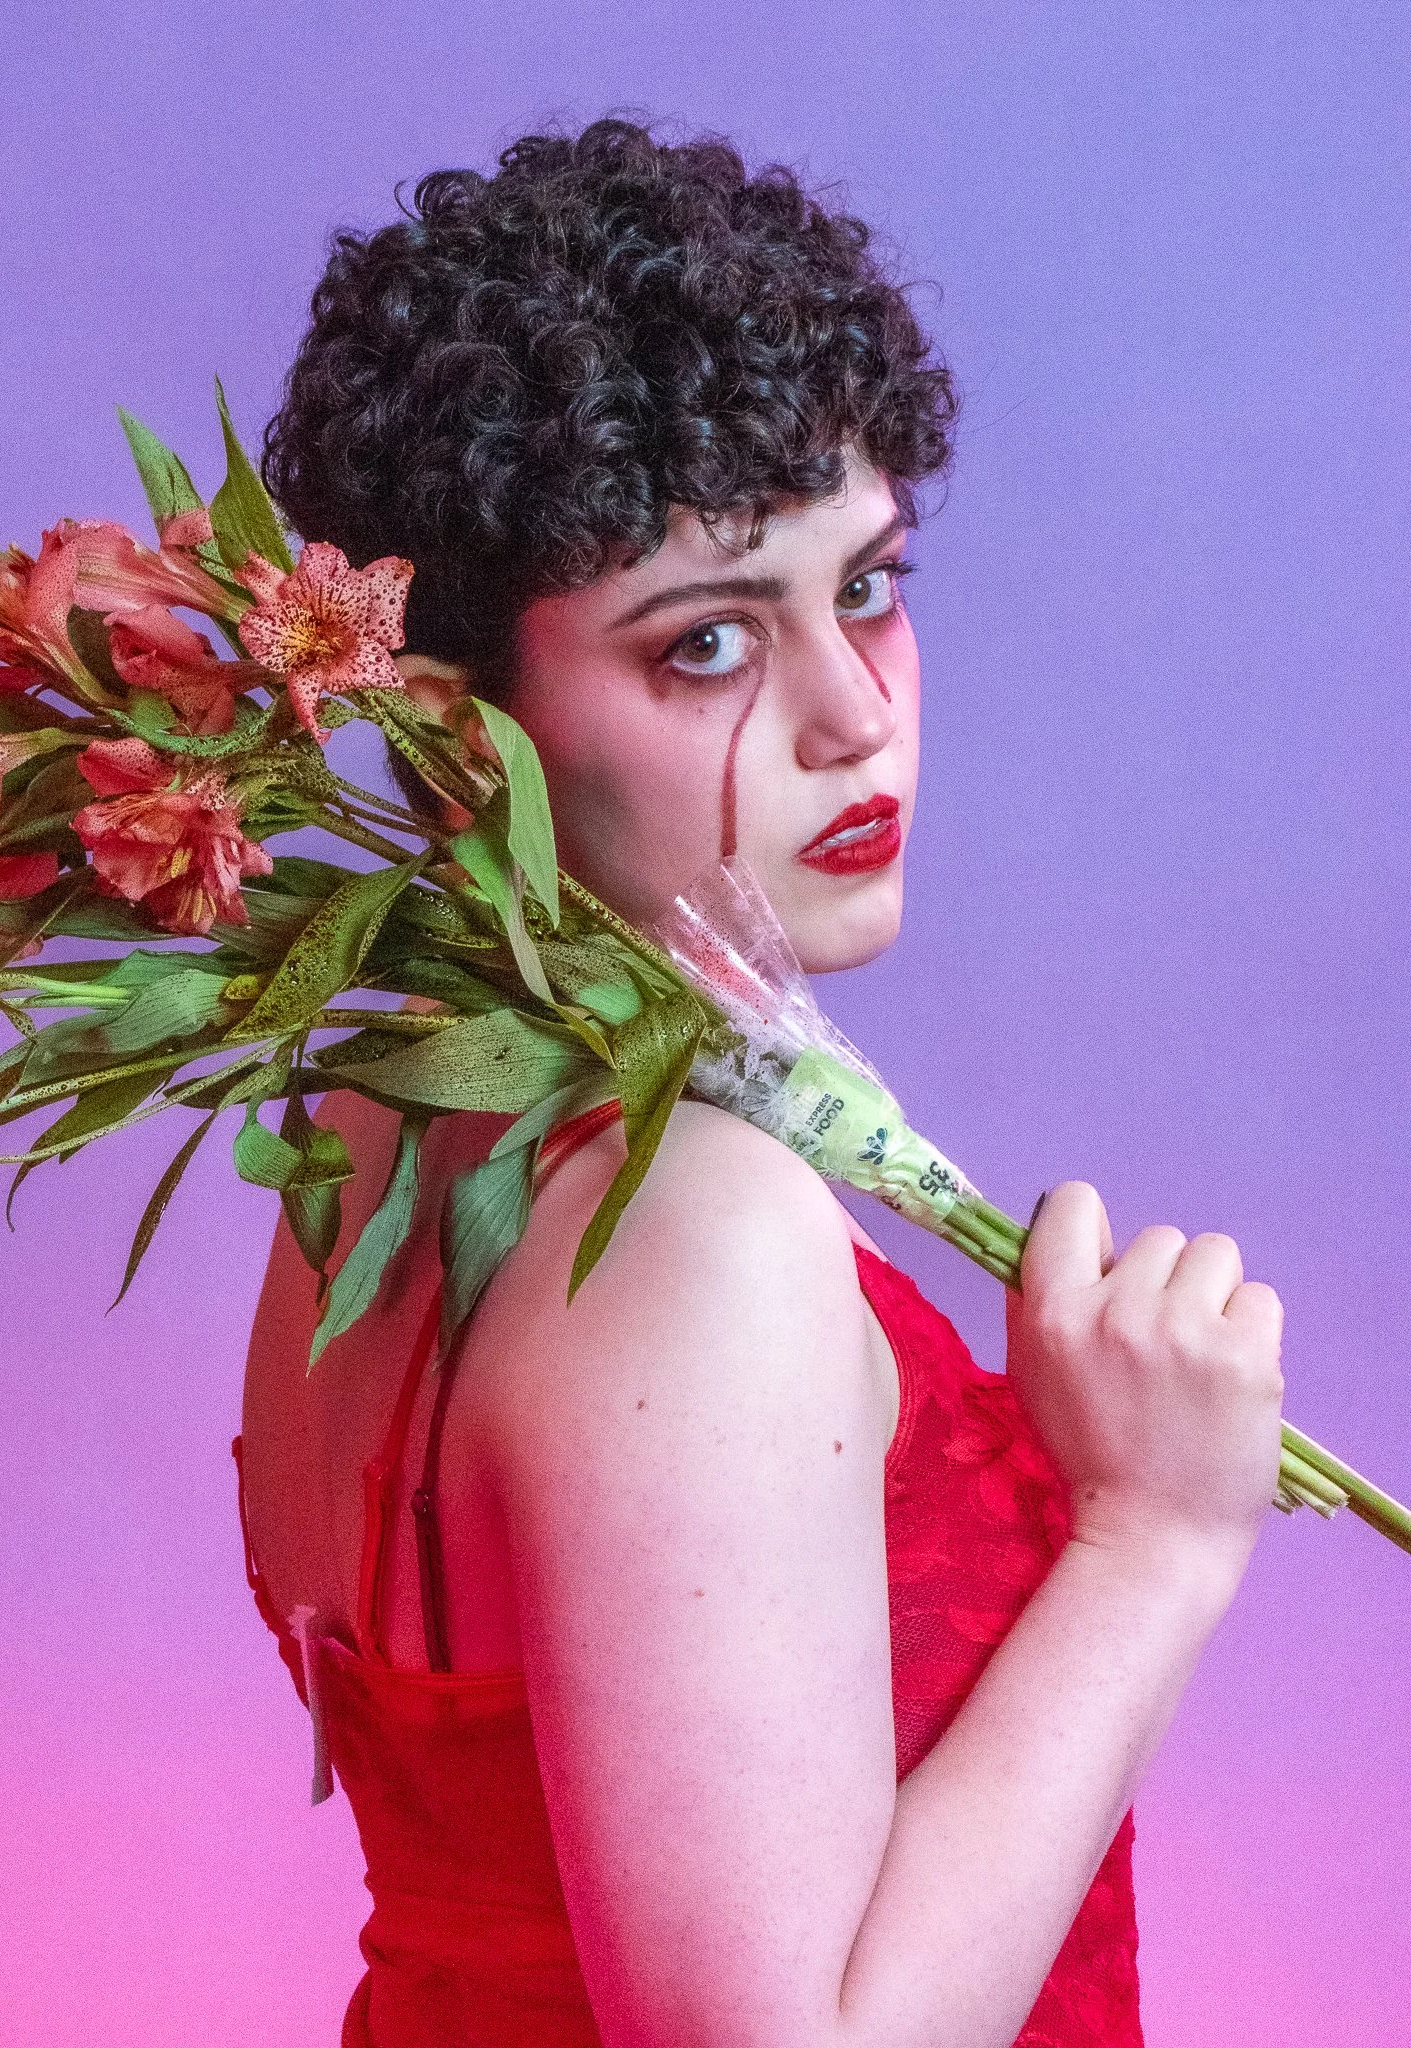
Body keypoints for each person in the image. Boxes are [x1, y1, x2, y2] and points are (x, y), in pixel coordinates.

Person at [236, 119, 1284, 2048]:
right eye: (709, 639)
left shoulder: (371, 1124)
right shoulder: (684, 1230)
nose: (856, 712)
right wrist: (1157, 1540)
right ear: (463, 731)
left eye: (868, 587)